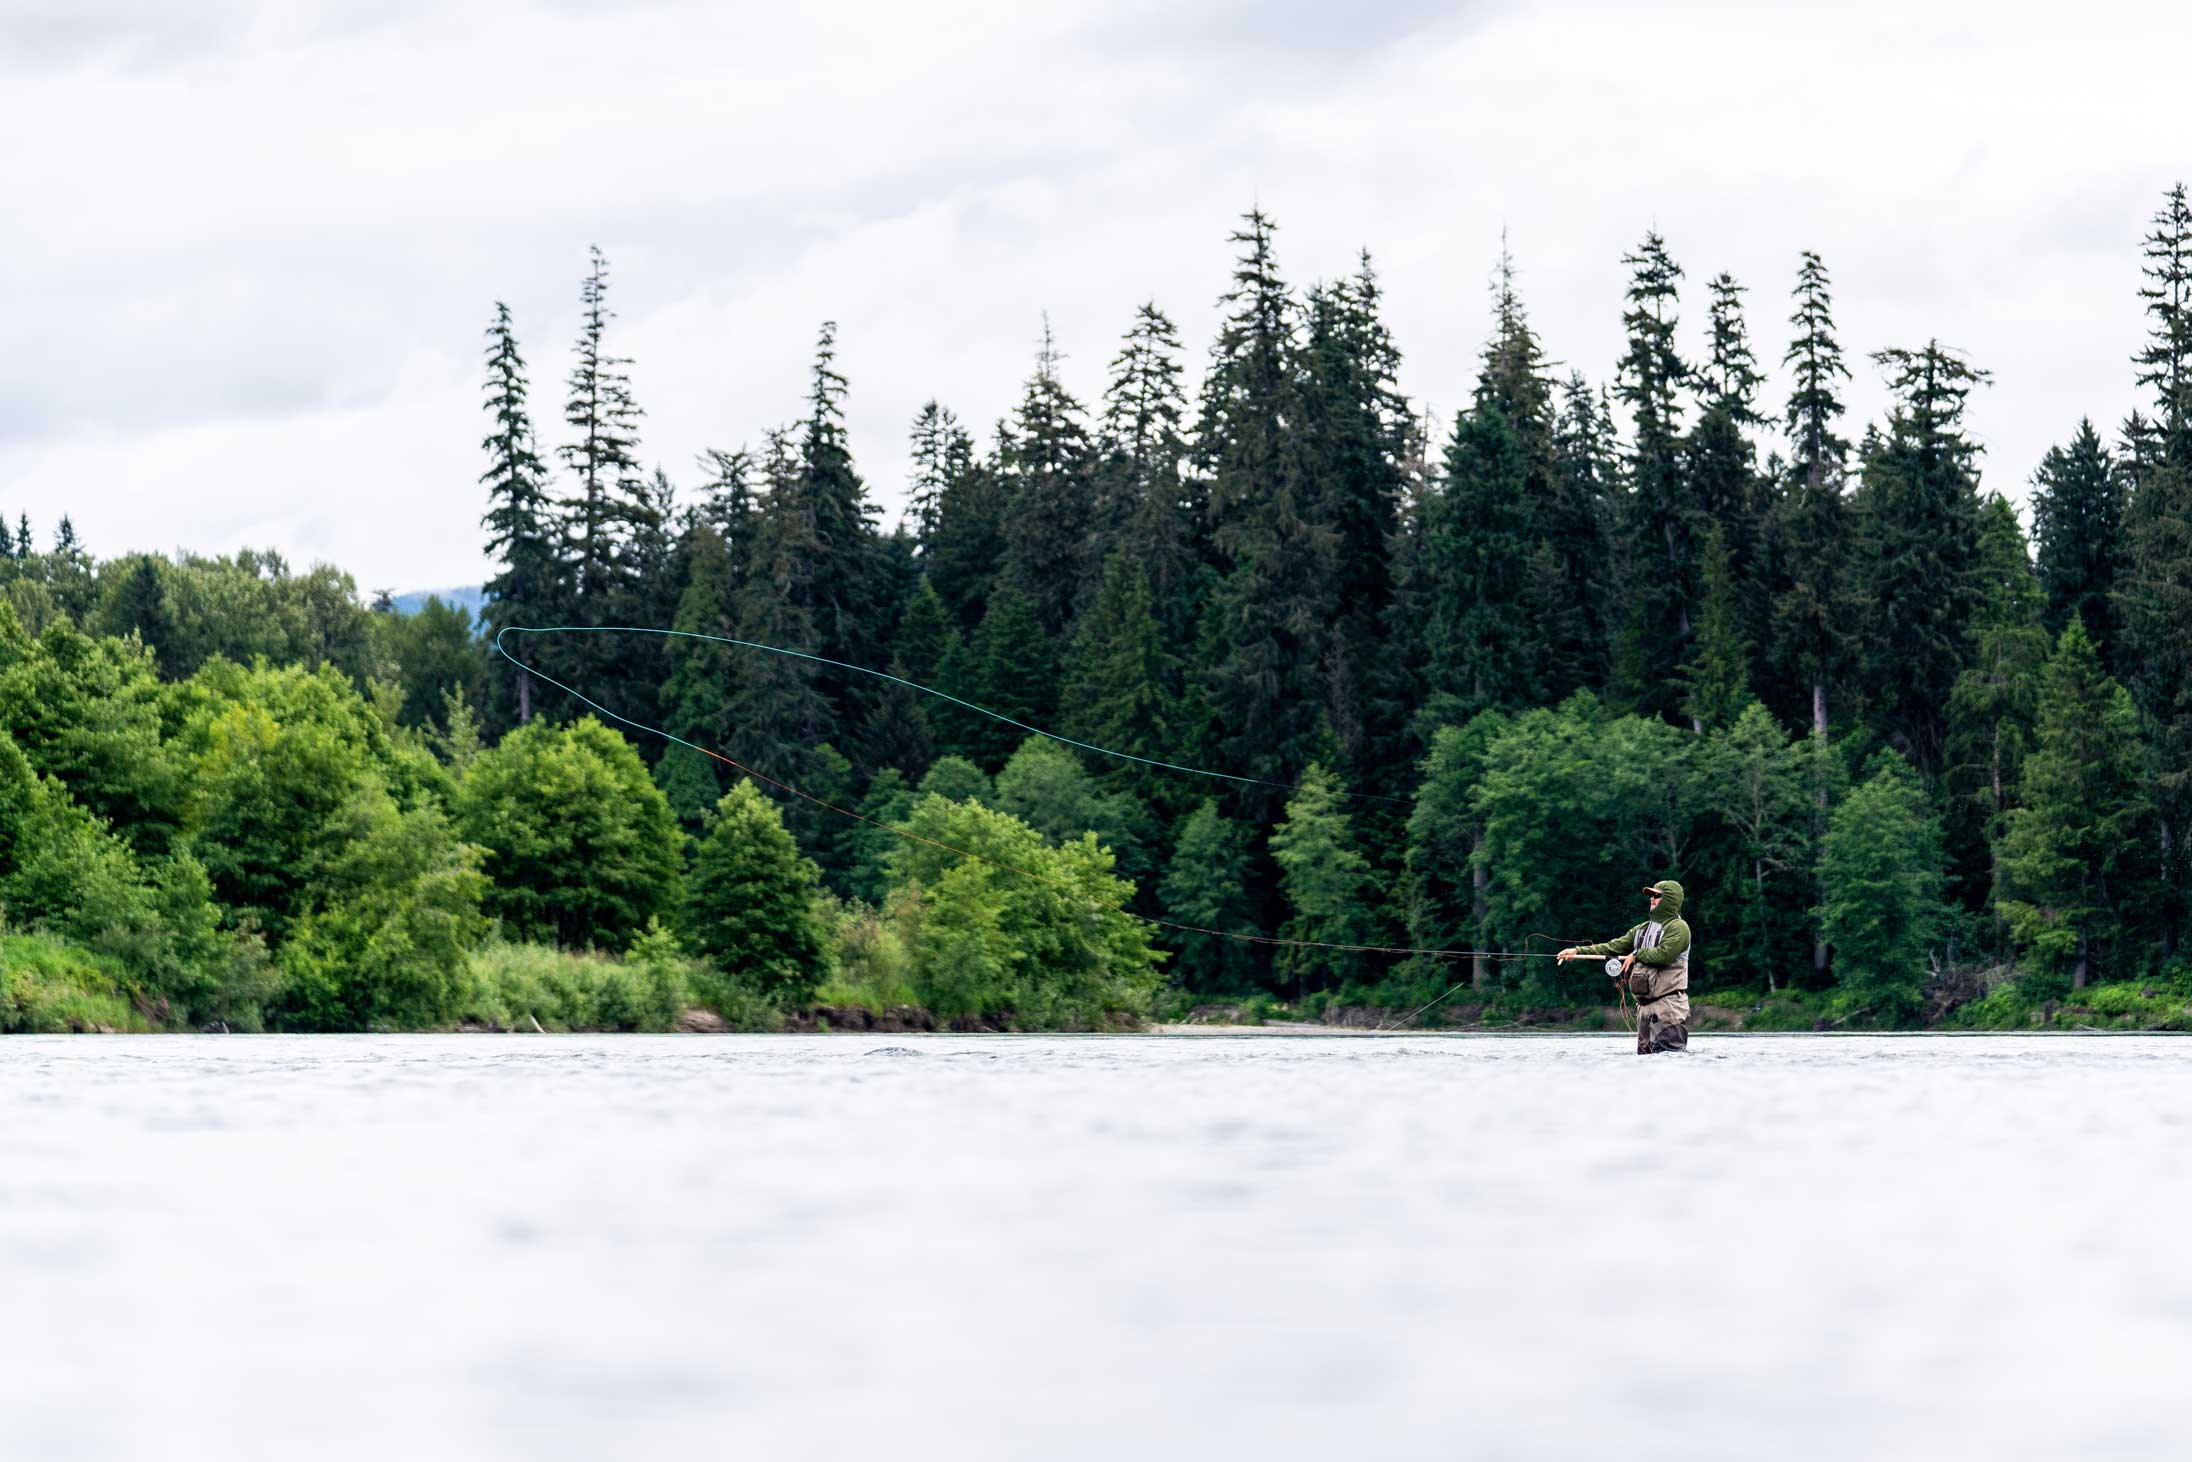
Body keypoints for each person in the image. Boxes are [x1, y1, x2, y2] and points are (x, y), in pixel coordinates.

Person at [1556, 880, 1692, 1054]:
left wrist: (1636, 954)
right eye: (1651, 895)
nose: (1652, 899)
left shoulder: (1679, 928)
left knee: (1670, 1062)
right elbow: (1613, 947)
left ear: (1670, 900)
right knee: (1645, 1065)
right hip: (1644, 1009)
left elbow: (1664, 955)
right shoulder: (1642, 929)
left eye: (1657, 895)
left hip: (1669, 1006)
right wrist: (1576, 951)